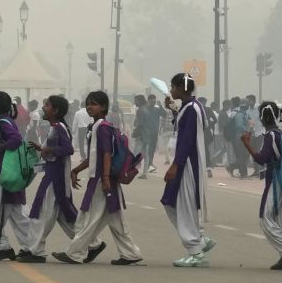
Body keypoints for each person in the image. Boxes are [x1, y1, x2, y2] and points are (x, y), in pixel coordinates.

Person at [53, 90, 142, 266]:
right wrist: (76, 170)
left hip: (102, 180)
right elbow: (95, 156)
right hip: (103, 179)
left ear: (103, 107)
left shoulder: (101, 128)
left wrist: (106, 178)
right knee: (115, 220)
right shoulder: (98, 127)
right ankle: (130, 253)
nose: (89, 107)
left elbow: (107, 154)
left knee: (88, 219)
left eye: (93, 104)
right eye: (88, 103)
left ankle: (75, 253)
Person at [22, 95, 100, 263]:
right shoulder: (56, 127)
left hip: (55, 178)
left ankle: (36, 251)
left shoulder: (58, 127)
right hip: (54, 175)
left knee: (40, 212)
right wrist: (42, 148)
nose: (43, 107)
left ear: (55, 111)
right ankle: (92, 244)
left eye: (47, 105)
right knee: (65, 216)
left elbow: (68, 149)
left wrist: (48, 149)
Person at [241, 102, 282, 270]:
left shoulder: (271, 136)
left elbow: (262, 158)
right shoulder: (280, 133)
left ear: (265, 117)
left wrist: (247, 144)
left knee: (265, 218)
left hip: (276, 179)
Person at [164, 73, 214, 268]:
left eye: (173, 87)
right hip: (184, 162)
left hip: (187, 164)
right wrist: (173, 110)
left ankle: (195, 251)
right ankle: (199, 240)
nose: (171, 90)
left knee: (184, 206)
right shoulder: (189, 107)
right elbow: (182, 129)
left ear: (182, 88)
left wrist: (175, 165)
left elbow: (187, 139)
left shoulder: (192, 109)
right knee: (170, 202)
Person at [0, 91, 30, 261]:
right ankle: (31, 246)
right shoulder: (5, 121)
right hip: (3, 170)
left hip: (5, 172)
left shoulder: (3, 122)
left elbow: (15, 140)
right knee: (17, 212)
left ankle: (4, 246)